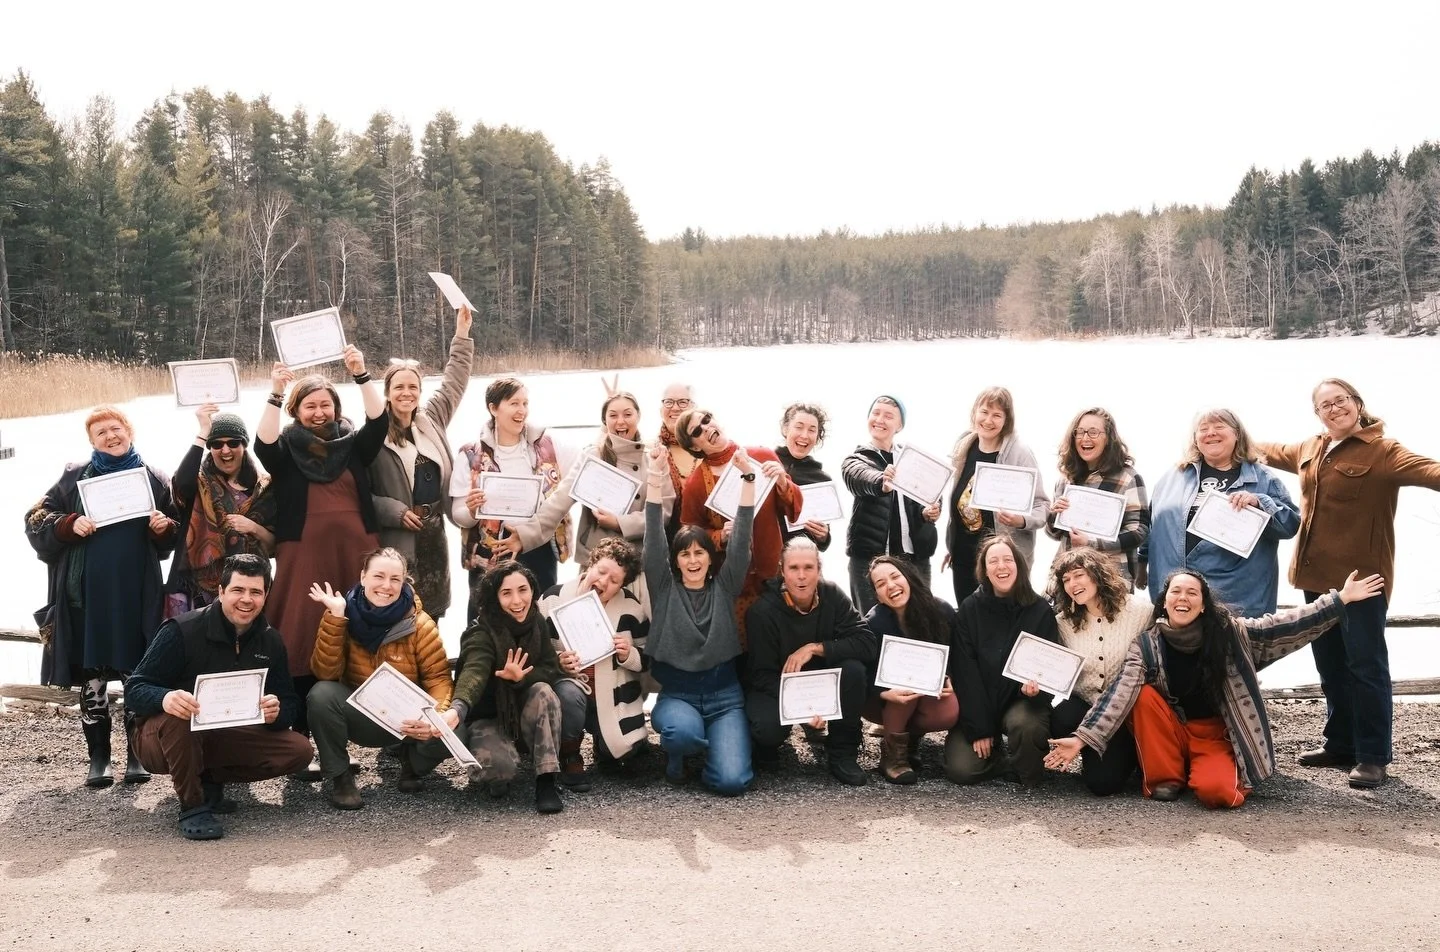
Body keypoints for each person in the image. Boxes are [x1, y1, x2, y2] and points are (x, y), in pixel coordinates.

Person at [1046, 568, 1385, 808]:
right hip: (1172, 731)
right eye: (1175, 592)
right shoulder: (1147, 645)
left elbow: (1285, 626)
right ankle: (1166, 777)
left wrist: (1339, 600)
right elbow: (1119, 691)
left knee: (1217, 795)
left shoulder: (1231, 634)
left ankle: (1207, 770)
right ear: (1163, 602)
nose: (1183, 598)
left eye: (1192, 592)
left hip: (1215, 735)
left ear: (1203, 604)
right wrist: (1081, 739)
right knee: (1142, 695)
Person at [1256, 378, 1440, 789]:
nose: (1334, 408)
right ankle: (1340, 743)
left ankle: (1373, 756)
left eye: (1340, 401)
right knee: (1332, 666)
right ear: (1317, 413)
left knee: (1366, 667)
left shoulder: (1384, 451)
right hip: (1316, 580)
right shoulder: (1311, 447)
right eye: (1325, 405)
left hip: (1363, 580)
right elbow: (1268, 450)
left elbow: (1432, 471)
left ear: (1357, 403)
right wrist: (1228, 437)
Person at [25, 404, 178, 788]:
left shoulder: (154, 478)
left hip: (136, 594)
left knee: (135, 674)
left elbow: (174, 535)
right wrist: (67, 524)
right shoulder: (74, 477)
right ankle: (98, 759)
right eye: (101, 433)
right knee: (92, 678)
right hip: (86, 597)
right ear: (91, 442)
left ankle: (136, 757)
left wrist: (163, 527)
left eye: (116, 429)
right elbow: (34, 521)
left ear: (130, 432)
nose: (110, 436)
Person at [125, 554, 312, 840]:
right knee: (180, 715)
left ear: (266, 595)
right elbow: (134, 688)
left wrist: (277, 711)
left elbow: (289, 702)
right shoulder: (181, 631)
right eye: (238, 590)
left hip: (222, 733)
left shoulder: (271, 640)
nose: (246, 600)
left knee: (299, 750)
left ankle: (210, 778)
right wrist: (165, 698)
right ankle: (192, 805)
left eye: (255, 592)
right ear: (221, 591)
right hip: (159, 739)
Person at [255, 345, 387, 739]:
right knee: (302, 630)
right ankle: (302, 730)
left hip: (356, 553)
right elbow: (262, 443)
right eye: (309, 406)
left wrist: (361, 374)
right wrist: (275, 392)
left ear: (335, 408)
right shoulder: (286, 450)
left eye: (325, 405)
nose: (318, 412)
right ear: (296, 411)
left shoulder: (352, 445)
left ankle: (365, 724)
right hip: (303, 555)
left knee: (361, 628)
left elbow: (378, 423)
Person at [644, 442, 757, 794]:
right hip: (678, 696)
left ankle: (715, 752)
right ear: (676, 561)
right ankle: (679, 756)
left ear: (710, 558)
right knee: (682, 733)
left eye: (699, 553)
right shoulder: (664, 588)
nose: (692, 560)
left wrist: (748, 478)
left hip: (725, 698)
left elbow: (741, 542)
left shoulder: (725, 589)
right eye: (684, 554)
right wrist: (654, 475)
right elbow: (652, 543)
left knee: (732, 781)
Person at [306, 547, 453, 810]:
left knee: (456, 726)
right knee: (321, 694)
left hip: (407, 721)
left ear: (404, 582)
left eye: (395, 579)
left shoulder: (420, 624)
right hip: (363, 716)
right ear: (363, 577)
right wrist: (336, 619)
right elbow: (325, 673)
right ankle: (340, 777)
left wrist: (437, 718)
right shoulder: (342, 614)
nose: (386, 586)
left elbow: (439, 679)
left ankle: (413, 763)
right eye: (378, 576)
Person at [369, 305, 475, 622]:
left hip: (434, 533)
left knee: (433, 615)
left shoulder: (432, 420)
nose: (407, 393)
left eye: (413, 386)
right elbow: (360, 494)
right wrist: (396, 512)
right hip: (397, 538)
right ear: (387, 393)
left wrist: (462, 335)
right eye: (399, 387)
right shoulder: (373, 436)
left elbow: (455, 380)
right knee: (399, 614)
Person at [745, 537, 876, 785]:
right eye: (794, 568)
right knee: (766, 728)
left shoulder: (833, 595)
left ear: (819, 569)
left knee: (854, 670)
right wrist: (803, 708)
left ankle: (842, 752)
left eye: (809, 567)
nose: (801, 576)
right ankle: (766, 748)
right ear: (782, 571)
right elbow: (760, 675)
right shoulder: (762, 612)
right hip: (779, 683)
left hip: (822, 680)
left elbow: (866, 642)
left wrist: (816, 648)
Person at [1145, 409, 1299, 618]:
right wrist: (1140, 563)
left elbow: (1290, 525)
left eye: (1219, 427)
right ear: (1195, 438)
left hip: (1235, 601)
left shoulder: (1263, 479)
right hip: (1175, 600)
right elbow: (1151, 525)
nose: (1211, 433)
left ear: (1237, 434)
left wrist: (1260, 502)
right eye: (1203, 429)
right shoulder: (1173, 477)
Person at [675, 406, 801, 646]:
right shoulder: (695, 485)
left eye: (707, 419)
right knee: (745, 651)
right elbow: (689, 533)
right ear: (694, 447)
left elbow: (793, 511)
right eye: (697, 431)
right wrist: (719, 536)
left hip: (774, 573)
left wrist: (783, 481)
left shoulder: (762, 455)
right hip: (735, 584)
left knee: (783, 643)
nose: (706, 428)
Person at [450, 560, 567, 814]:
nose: (517, 601)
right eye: (506, 593)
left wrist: (521, 678)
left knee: (544, 692)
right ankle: (497, 760)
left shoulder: (537, 624)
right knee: (500, 771)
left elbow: (550, 667)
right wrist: (458, 708)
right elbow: (474, 673)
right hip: (488, 717)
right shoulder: (481, 632)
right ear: (494, 598)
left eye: (523, 590)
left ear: (532, 591)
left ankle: (546, 781)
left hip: (523, 712)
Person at [450, 377, 569, 622]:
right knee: (485, 623)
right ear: (493, 408)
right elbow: (458, 514)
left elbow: (583, 469)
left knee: (538, 619)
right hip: (490, 554)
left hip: (537, 548)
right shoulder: (471, 454)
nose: (522, 410)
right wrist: (472, 511)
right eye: (514, 403)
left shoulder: (548, 445)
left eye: (525, 403)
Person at [537, 537, 650, 791]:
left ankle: (603, 745)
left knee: (619, 754)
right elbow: (536, 653)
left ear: (622, 586)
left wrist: (627, 653)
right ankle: (569, 753)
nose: (604, 582)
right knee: (567, 693)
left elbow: (647, 659)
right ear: (591, 564)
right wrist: (558, 662)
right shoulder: (552, 598)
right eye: (601, 572)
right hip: (572, 690)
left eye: (614, 581)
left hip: (612, 697)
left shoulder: (631, 608)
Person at [511, 389, 673, 566]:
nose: (620, 421)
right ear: (605, 421)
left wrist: (620, 523)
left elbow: (663, 513)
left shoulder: (653, 459)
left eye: (627, 414)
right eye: (613, 415)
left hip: (640, 562)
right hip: (597, 561)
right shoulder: (594, 457)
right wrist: (525, 535)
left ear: (638, 416)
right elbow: (559, 502)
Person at [945, 536, 1059, 786]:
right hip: (980, 699)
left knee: (1026, 729)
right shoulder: (969, 609)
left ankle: (1026, 766)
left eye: (1008, 559)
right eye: (993, 561)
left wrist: (1036, 693)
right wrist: (981, 729)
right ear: (984, 570)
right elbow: (965, 672)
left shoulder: (1039, 610)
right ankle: (999, 760)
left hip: (1020, 702)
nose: (1001, 566)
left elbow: (1051, 668)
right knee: (961, 770)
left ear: (1019, 565)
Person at [1047, 547, 1152, 795]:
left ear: (1097, 574)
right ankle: (1089, 749)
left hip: (1126, 711)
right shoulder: (1063, 622)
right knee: (1057, 718)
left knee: (1103, 785)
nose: (1072, 584)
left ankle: (1131, 754)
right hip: (1085, 705)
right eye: (1066, 580)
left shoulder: (1141, 611)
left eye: (1078, 575)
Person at [163, 405, 275, 618]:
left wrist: (253, 527)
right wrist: (203, 432)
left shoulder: (263, 488)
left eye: (233, 443)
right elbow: (182, 483)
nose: (225, 450)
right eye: (216, 444)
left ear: (244, 445)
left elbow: (274, 545)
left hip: (249, 587)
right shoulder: (198, 482)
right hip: (197, 588)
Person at [943, 387, 1050, 606]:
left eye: (997, 415)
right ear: (974, 413)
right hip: (963, 558)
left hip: (1003, 563)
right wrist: (951, 545)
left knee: (1002, 623)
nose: (988, 420)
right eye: (984, 412)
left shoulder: (1019, 453)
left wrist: (1021, 521)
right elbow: (958, 499)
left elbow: (1042, 505)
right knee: (968, 622)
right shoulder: (965, 444)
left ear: (1007, 421)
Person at [862, 556, 959, 785]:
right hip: (884, 699)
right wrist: (881, 693)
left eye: (895, 576)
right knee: (904, 691)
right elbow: (860, 670)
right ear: (877, 595)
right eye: (881, 583)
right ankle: (892, 757)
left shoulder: (941, 610)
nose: (891, 586)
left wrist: (949, 677)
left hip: (926, 694)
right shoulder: (873, 623)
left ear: (909, 577)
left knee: (949, 710)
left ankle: (910, 738)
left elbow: (957, 652)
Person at [842, 395, 941, 615]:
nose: (880, 419)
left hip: (914, 559)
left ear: (900, 425)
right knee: (870, 624)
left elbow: (933, 490)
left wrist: (931, 510)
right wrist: (882, 482)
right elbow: (858, 477)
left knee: (921, 620)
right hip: (869, 559)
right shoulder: (857, 458)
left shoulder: (913, 458)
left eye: (888, 416)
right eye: (875, 413)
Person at [1046, 406, 1149, 586]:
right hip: (1069, 581)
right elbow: (1055, 534)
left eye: (1093, 432)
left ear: (1108, 438)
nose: (1085, 438)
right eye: (1080, 432)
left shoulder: (1129, 478)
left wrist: (1092, 543)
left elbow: (1138, 532)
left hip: (1111, 582)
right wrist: (1054, 515)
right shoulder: (1065, 479)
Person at [775, 402, 835, 550]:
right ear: (785, 429)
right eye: (799, 427)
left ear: (818, 436)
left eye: (812, 430)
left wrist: (824, 536)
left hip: (798, 561)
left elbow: (822, 540)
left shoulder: (822, 480)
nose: (804, 435)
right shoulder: (767, 463)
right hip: (761, 558)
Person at [655, 382, 699, 540]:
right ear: (661, 409)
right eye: (669, 402)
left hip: (706, 542)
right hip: (663, 540)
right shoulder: (651, 449)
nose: (675, 408)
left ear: (693, 407)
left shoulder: (706, 446)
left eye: (682, 402)